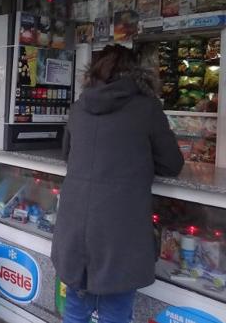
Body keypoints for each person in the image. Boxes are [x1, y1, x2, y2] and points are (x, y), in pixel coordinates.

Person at [51, 45, 184, 323]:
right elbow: (172, 163)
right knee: (115, 312)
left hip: (75, 229)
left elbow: (67, 154)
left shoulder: (79, 108)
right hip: (120, 232)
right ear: (136, 73)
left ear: (94, 73)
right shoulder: (147, 108)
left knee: (75, 308)